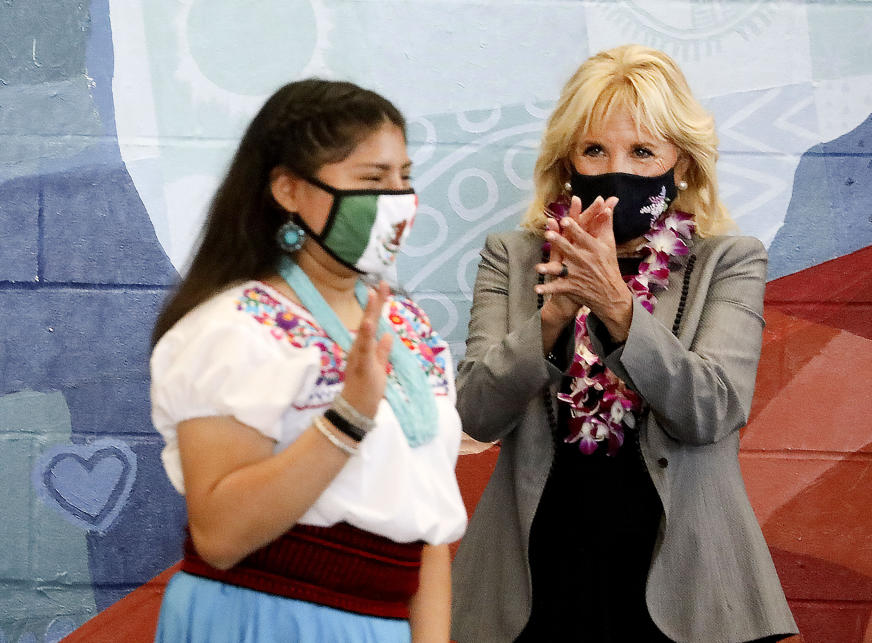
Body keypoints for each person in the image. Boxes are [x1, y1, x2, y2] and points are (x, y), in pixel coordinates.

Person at [450, 45, 798, 642]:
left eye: (642, 151)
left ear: (680, 164)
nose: (619, 170)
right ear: (567, 162)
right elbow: (475, 415)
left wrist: (616, 306)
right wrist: (554, 314)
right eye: (595, 150)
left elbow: (711, 410)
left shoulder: (728, 261)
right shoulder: (513, 258)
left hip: (687, 590)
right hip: (535, 584)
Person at [149, 79, 466, 642]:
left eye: (405, 178)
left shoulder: (407, 326)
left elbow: (428, 520)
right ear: (289, 190)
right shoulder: (232, 328)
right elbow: (219, 536)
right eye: (372, 180)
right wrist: (348, 416)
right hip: (266, 618)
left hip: (384, 624)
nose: (396, 200)